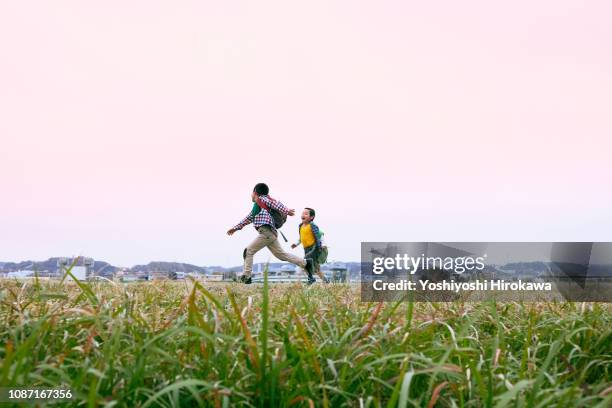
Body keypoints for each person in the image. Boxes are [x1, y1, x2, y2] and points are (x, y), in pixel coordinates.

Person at [227, 183, 313, 284]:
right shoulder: (257, 206)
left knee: (248, 251)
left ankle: (246, 276)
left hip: (266, 233)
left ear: (255, 192)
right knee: (281, 255)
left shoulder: (262, 199)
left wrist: (286, 210)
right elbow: (249, 218)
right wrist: (235, 228)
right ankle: (306, 263)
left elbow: (274, 203)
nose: (250, 195)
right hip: (270, 234)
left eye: (251, 193)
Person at [291, 207, 329, 284]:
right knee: (317, 269)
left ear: (312, 217)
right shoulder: (301, 226)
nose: (303, 215)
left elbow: (320, 235)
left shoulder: (312, 226)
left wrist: (323, 244)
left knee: (305, 261)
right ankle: (326, 280)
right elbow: (301, 238)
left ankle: (311, 279)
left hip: (314, 248)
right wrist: (296, 244)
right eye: (302, 213)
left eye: (306, 213)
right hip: (306, 249)